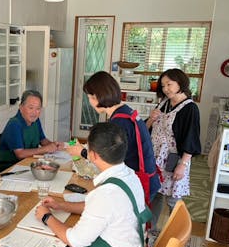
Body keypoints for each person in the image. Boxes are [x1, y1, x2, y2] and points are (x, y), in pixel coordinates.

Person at [35, 122, 152, 247]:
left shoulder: (106, 194)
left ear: (93, 155)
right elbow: (100, 210)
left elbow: (75, 239)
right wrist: (61, 205)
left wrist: (46, 217)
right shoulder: (129, 175)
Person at [67, 71, 160, 207]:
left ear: (97, 97)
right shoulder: (125, 111)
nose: (90, 102)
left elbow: (108, 159)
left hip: (139, 183)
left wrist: (81, 152)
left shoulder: (119, 123)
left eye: (89, 97)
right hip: (146, 177)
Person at [146, 68, 201, 229]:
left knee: (172, 199)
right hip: (156, 157)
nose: (165, 89)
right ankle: (150, 230)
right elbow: (147, 128)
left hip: (174, 160)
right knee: (155, 194)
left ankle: (176, 235)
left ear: (181, 83)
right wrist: (151, 118)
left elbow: (191, 139)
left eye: (169, 84)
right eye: (163, 86)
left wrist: (182, 165)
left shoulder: (190, 108)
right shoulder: (164, 103)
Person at [0, 90, 64, 172]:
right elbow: (20, 154)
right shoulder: (14, 124)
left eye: (38, 109)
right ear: (21, 107)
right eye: (31, 108)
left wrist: (54, 145)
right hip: (9, 168)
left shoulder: (35, 120)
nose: (34, 112)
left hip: (26, 164)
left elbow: (42, 140)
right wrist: (46, 149)